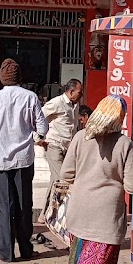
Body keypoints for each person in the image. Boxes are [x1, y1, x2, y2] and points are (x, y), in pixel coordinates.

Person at [43, 96, 133, 264]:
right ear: (119, 117)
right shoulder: (123, 143)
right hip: (105, 221)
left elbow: (66, 174)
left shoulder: (80, 137)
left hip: (79, 215)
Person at [0, 58, 49, 263]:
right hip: (24, 159)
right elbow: (42, 129)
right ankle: (26, 249)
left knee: (4, 206)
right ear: (19, 77)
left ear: (1, 78)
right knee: (24, 204)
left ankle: (6, 252)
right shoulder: (30, 97)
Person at [38, 79, 83, 220]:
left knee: (55, 181)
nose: (81, 95)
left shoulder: (75, 106)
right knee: (62, 181)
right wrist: (38, 138)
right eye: (79, 92)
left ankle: (45, 215)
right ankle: (62, 216)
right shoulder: (57, 102)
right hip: (54, 145)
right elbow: (38, 116)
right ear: (71, 92)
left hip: (67, 148)